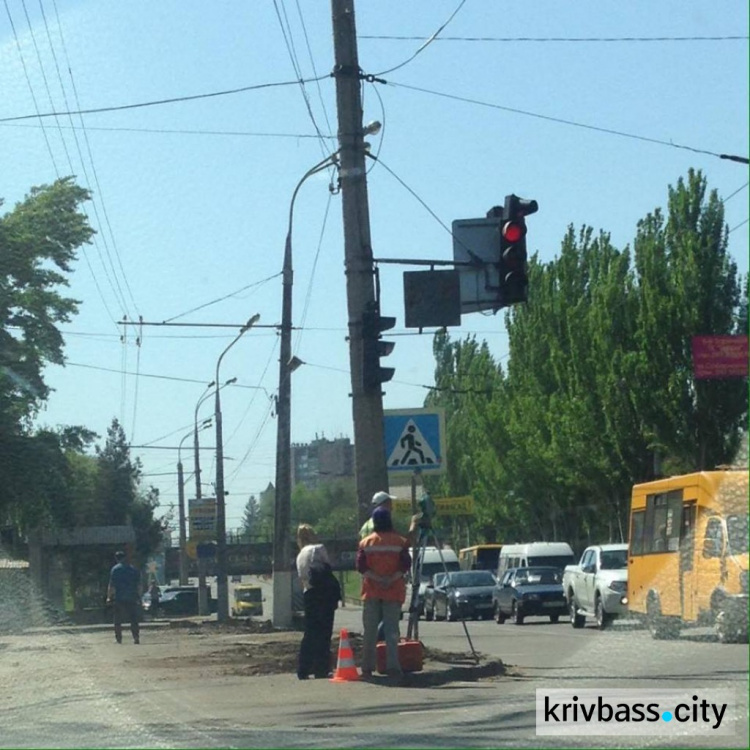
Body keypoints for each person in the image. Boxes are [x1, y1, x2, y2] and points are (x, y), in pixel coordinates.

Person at [357, 507, 416, 678]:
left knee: (369, 631)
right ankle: (393, 667)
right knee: (391, 631)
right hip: (393, 589)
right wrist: (391, 579)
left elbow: (361, 567)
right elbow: (405, 565)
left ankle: (367, 667)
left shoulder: (366, 543)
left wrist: (376, 578)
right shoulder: (399, 542)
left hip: (372, 591)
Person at [295, 524, 341, 680]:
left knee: (310, 632)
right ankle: (321, 668)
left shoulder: (300, 555)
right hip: (324, 594)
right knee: (324, 632)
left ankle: (303, 668)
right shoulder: (318, 549)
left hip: (309, 594)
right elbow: (327, 567)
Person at [107, 551, 141, 644]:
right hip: (132, 597)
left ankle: (119, 639)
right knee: (133, 619)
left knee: (117, 619)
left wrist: (109, 597)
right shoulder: (133, 569)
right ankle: (136, 637)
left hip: (119, 597)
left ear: (116, 558)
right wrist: (139, 597)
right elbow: (138, 585)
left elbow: (112, 585)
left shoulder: (115, 569)